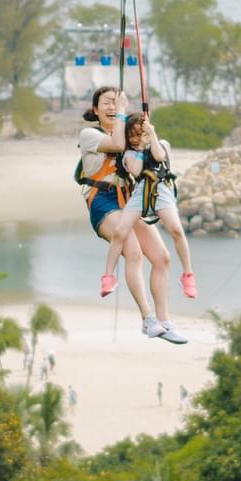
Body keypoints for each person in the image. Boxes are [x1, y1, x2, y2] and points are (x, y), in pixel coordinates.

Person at [78, 86, 187, 344]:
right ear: (95, 109)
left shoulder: (126, 133)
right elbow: (116, 144)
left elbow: (143, 152)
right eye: (106, 103)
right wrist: (124, 113)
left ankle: (164, 321)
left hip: (129, 199)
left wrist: (148, 133)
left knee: (162, 257)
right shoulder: (89, 134)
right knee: (133, 251)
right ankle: (147, 319)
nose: (112, 107)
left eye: (117, 103)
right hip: (103, 203)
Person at [102, 113, 198, 299]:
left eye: (140, 133)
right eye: (132, 135)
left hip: (161, 190)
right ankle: (108, 276)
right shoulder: (129, 154)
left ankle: (188, 275)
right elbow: (137, 170)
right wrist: (141, 147)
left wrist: (151, 136)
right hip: (141, 192)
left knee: (177, 230)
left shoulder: (162, 144)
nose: (136, 139)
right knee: (120, 231)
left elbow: (159, 156)